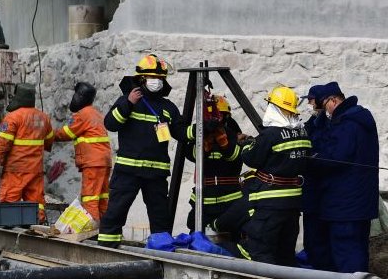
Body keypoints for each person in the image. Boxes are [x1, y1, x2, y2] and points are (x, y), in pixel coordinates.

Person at [98, 54, 181, 247]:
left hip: (156, 173)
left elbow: (181, 132)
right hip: (128, 171)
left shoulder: (168, 108)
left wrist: (199, 130)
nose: (156, 82)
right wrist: (128, 103)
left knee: (160, 216)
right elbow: (110, 124)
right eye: (153, 78)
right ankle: (106, 249)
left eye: (160, 79)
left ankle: (162, 249)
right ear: (141, 79)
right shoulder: (127, 102)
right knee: (116, 211)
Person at [305, 81, 379, 272]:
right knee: (355, 250)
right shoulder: (359, 119)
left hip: (345, 203)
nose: (324, 111)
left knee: (347, 255)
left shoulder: (348, 123)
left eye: (324, 105)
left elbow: (336, 157)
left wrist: (311, 159)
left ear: (333, 100)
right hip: (357, 202)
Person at [237, 86, 310, 265]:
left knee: (262, 250)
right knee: (285, 253)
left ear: (275, 108)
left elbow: (251, 158)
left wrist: (247, 144)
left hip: (270, 203)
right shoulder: (302, 133)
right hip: (292, 204)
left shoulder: (270, 135)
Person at [180, 93, 244, 232]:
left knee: (232, 233)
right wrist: (205, 144)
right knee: (196, 231)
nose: (216, 120)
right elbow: (192, 155)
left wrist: (224, 144)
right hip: (204, 200)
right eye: (213, 117)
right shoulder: (199, 136)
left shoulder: (233, 133)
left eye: (220, 116)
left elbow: (235, 157)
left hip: (230, 200)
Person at [0, 83, 52, 222]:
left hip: (16, 169)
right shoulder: (43, 118)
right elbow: (49, 141)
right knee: (36, 202)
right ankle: (38, 226)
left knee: (9, 202)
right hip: (35, 170)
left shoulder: (13, 117)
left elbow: (3, 143)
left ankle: (10, 228)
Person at [52, 82, 111, 221]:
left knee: (89, 198)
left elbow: (66, 133)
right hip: (104, 162)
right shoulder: (96, 114)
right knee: (102, 199)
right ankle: (104, 231)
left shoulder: (82, 115)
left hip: (93, 163)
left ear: (80, 96)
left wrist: (47, 134)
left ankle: (91, 234)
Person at [299, 84, 332, 268]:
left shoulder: (327, 125)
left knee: (320, 240)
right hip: (311, 193)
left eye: (312, 101)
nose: (310, 105)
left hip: (321, 192)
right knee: (312, 239)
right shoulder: (312, 124)